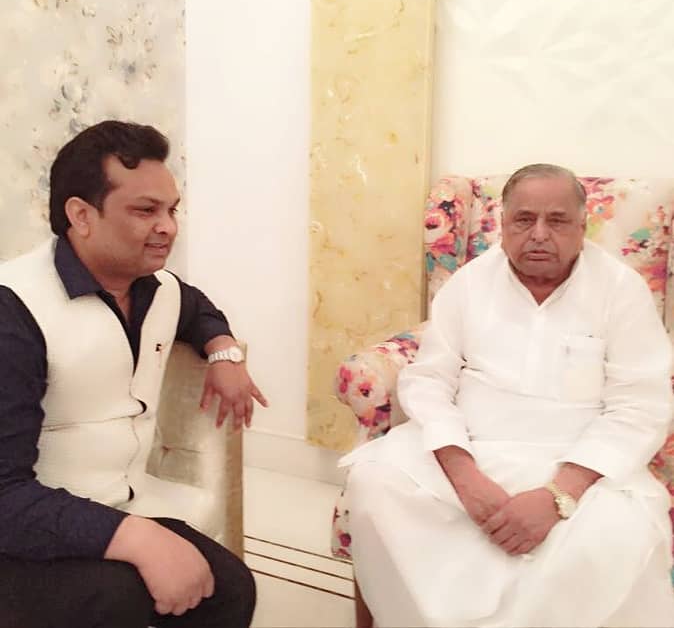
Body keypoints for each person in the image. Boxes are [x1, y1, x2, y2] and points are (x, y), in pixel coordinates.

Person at [341, 164, 674, 627]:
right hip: (471, 448)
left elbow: (640, 404)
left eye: (557, 220)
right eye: (524, 219)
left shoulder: (620, 289)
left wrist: (558, 496)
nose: (539, 234)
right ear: (503, 223)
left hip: (577, 461)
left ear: (582, 226)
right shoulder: (470, 282)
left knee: (616, 533)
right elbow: (429, 379)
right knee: (375, 483)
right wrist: (465, 477)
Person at [0, 120, 266, 628]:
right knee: (121, 599)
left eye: (172, 210)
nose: (168, 227)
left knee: (229, 587)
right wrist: (135, 538)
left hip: (126, 500)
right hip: (26, 532)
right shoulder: (15, 310)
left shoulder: (156, 287)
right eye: (146, 211)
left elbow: (197, 308)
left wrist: (224, 352)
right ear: (81, 215)